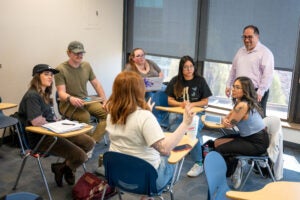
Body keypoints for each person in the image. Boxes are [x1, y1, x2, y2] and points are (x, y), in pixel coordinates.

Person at [105, 71, 194, 199]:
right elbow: (164, 149)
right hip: (147, 181)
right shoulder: (144, 117)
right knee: (171, 156)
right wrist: (185, 123)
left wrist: (147, 114)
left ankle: (145, 197)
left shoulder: (111, 115)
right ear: (138, 90)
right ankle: (147, 196)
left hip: (119, 176)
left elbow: (131, 131)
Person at [18, 64, 95, 187]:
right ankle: (68, 168)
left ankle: (63, 168)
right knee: (80, 156)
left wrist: (59, 123)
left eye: (51, 75)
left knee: (89, 142)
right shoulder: (32, 96)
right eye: (46, 74)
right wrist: (54, 123)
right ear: (37, 77)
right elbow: (36, 122)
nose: (50, 77)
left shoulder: (45, 94)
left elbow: (50, 118)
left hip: (54, 131)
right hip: (41, 138)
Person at [215, 76, 269, 189]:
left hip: (257, 142)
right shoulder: (241, 102)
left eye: (237, 87)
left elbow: (228, 124)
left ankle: (233, 170)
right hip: (250, 137)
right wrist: (226, 120)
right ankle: (237, 163)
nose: (233, 89)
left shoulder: (242, 105)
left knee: (220, 149)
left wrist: (226, 120)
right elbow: (228, 118)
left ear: (245, 91)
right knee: (217, 143)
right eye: (233, 86)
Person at [165, 55, 212, 177]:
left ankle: (199, 163)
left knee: (193, 133)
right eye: (186, 67)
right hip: (178, 112)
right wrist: (181, 104)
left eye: (191, 66)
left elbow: (205, 101)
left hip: (197, 112)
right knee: (174, 131)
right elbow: (169, 100)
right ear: (181, 69)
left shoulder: (200, 81)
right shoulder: (175, 81)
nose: (189, 69)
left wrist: (191, 104)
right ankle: (171, 158)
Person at [55, 41, 107, 142]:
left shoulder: (86, 66)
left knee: (110, 113)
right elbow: (61, 93)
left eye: (81, 53)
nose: (80, 55)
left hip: (85, 101)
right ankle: (88, 145)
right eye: (76, 53)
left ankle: (91, 142)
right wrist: (71, 98)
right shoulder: (60, 69)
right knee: (85, 116)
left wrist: (104, 101)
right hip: (68, 104)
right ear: (68, 53)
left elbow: (97, 84)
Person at [225, 25, 274, 117]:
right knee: (240, 117)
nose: (247, 40)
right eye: (244, 37)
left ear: (257, 37)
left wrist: (260, 92)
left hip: (255, 92)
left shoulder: (265, 53)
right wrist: (228, 85)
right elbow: (233, 70)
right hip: (241, 91)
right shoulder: (240, 51)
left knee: (257, 119)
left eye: (250, 37)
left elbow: (268, 75)